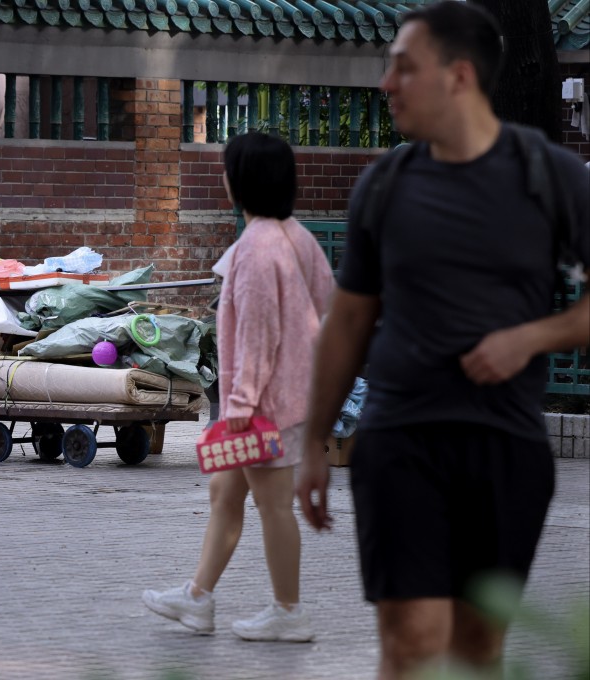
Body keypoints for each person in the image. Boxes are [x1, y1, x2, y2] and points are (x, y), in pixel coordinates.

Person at [295, 3, 590, 678]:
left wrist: (531, 338)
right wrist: (313, 440)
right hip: (400, 437)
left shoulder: (551, 178)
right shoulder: (386, 185)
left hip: (506, 445)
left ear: (458, 77)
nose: (386, 83)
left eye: (404, 66)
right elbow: (348, 319)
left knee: (476, 651)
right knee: (410, 642)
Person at [142, 132, 334, 641]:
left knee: (272, 506)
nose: (224, 177)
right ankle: (198, 597)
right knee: (225, 492)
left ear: (241, 182)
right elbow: (325, 308)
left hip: (262, 406)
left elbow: (256, 338)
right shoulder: (298, 237)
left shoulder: (255, 250)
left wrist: (242, 406)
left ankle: (288, 612)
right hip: (289, 398)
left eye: (228, 169)